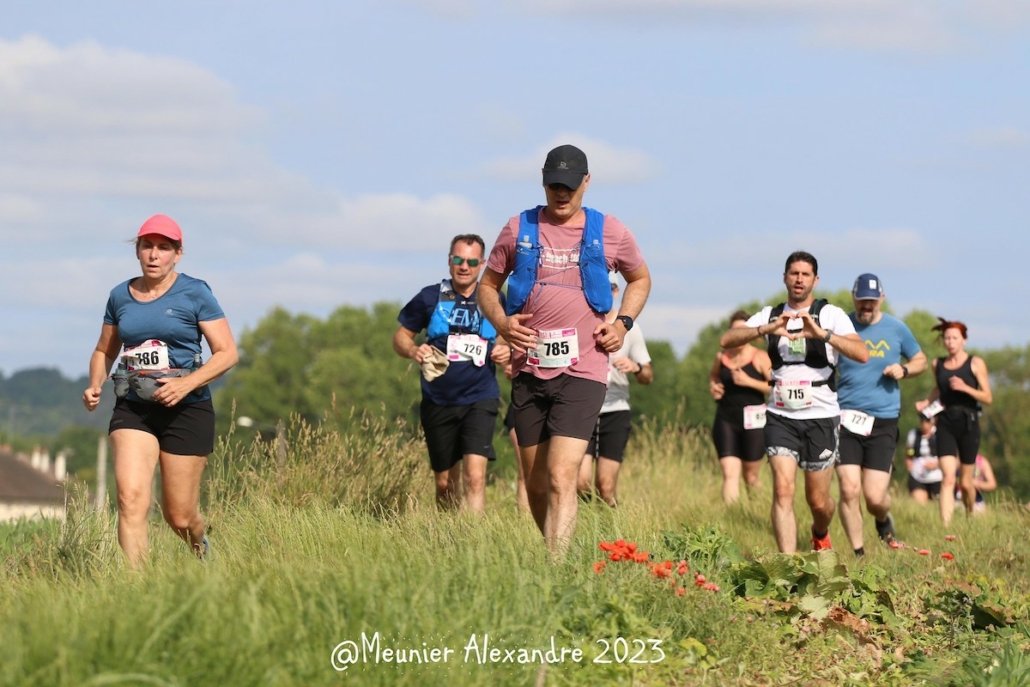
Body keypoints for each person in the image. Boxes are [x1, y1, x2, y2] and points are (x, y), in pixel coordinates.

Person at [478, 143, 651, 553]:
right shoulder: (518, 228)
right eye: (554, 184)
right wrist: (502, 323)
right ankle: (551, 551)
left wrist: (622, 324)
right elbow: (488, 286)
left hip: (584, 369)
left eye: (570, 186)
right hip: (529, 367)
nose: (561, 193)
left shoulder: (610, 230)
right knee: (536, 484)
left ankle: (557, 568)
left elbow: (640, 279)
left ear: (586, 183)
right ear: (543, 181)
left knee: (561, 476)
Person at [82, 214, 238, 567]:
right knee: (131, 498)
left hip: (188, 409)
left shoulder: (195, 292)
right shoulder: (120, 295)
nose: (154, 255)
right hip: (134, 407)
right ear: (137, 250)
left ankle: (206, 555)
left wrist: (186, 384)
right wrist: (95, 383)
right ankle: (138, 590)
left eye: (163, 248)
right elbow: (105, 350)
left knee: (180, 517)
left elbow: (227, 353)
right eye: (147, 246)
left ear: (177, 254)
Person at [720, 251, 868, 554]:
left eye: (805, 274)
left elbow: (862, 353)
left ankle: (820, 530)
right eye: (794, 273)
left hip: (821, 416)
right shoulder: (771, 314)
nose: (799, 279)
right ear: (785, 277)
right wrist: (766, 329)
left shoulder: (831, 315)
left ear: (815, 280)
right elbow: (728, 339)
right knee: (783, 490)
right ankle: (787, 566)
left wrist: (822, 334)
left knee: (818, 501)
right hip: (780, 415)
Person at [393, 234, 510, 513]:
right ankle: (449, 541)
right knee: (446, 483)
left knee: (475, 477)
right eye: (458, 260)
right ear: (449, 262)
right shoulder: (429, 296)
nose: (464, 267)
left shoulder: (494, 299)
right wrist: (413, 351)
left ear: (482, 264)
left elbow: (509, 335)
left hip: (480, 397)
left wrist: (506, 350)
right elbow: (400, 337)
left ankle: (475, 545)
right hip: (438, 399)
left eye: (471, 261)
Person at [834, 273, 927, 556]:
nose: (866, 306)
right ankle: (859, 554)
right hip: (845, 418)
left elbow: (920, 360)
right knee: (849, 490)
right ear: (854, 297)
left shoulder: (896, 329)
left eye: (871, 301)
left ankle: (883, 519)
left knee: (875, 498)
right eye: (862, 300)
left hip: (883, 420)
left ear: (881, 299)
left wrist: (905, 370)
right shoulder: (842, 326)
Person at [577, 276, 653, 507]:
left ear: (617, 290)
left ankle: (611, 529)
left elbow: (648, 376)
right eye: (597, 286)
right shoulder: (581, 322)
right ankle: (584, 525)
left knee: (606, 486)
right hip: (583, 408)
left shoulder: (630, 328)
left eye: (609, 287)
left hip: (615, 410)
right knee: (580, 482)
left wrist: (636, 367)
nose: (604, 292)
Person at [915, 318, 993, 525]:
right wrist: (926, 401)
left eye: (954, 338)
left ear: (964, 340)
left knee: (966, 483)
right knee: (948, 478)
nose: (950, 342)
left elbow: (988, 397)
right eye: (947, 338)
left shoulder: (975, 363)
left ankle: (969, 515)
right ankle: (945, 528)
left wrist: (965, 387)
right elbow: (939, 389)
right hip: (946, 423)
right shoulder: (937, 364)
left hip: (969, 422)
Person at [708, 310, 772, 504]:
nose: (739, 335)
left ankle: (757, 511)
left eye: (744, 330)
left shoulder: (760, 357)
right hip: (726, 419)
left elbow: (774, 387)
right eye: (735, 331)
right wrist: (714, 387)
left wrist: (748, 381)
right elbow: (713, 377)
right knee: (730, 473)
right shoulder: (721, 358)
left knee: (751, 477)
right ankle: (732, 519)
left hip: (754, 421)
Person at [905, 414, 943, 503]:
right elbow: (909, 453)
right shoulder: (913, 434)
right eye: (922, 421)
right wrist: (910, 466)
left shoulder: (940, 434)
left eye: (927, 421)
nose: (924, 424)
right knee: (919, 503)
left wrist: (936, 465)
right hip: (918, 476)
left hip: (937, 477)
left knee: (936, 503)